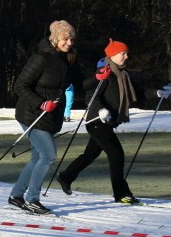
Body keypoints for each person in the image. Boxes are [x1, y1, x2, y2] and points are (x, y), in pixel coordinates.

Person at [57, 39, 171, 204]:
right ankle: (121, 193)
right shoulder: (105, 73)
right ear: (112, 55)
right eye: (122, 54)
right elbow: (91, 95)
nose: (126, 57)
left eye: (126, 53)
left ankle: (66, 176)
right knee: (116, 154)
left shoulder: (124, 74)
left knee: (90, 154)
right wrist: (101, 110)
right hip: (97, 122)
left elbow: (139, 92)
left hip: (108, 123)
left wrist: (158, 93)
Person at [9, 20, 79, 215]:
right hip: (31, 114)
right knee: (48, 155)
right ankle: (32, 199)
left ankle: (16, 195)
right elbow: (20, 86)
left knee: (37, 157)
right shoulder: (40, 58)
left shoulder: (69, 59)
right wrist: (40, 102)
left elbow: (80, 84)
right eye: (65, 39)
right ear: (55, 39)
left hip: (49, 116)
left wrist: (98, 78)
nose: (69, 43)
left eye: (71, 39)